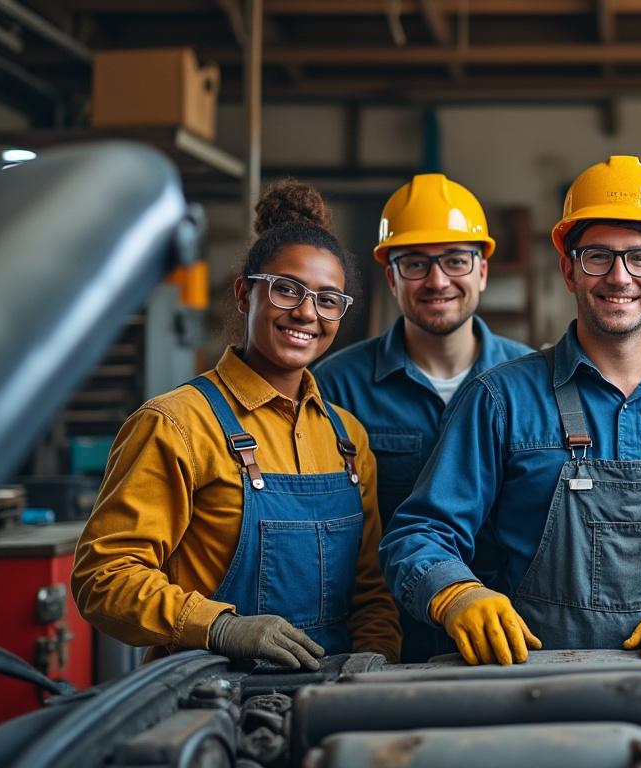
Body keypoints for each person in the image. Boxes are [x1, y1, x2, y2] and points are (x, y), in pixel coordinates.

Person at [380, 155, 641, 666]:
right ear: (568, 268)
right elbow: (420, 533)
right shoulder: (500, 399)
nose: (619, 277)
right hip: (532, 694)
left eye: (640, 258)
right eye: (598, 256)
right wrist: (457, 594)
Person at [73, 180, 401, 669]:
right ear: (246, 294)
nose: (307, 313)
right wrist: (218, 626)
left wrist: (377, 659)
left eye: (329, 299)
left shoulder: (347, 438)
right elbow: (105, 577)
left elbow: (371, 592)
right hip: (209, 700)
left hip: (335, 699)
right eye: (287, 290)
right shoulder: (177, 423)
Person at [314, 174, 531, 661]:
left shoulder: (532, 384)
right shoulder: (336, 387)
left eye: (456, 260)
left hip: (510, 642)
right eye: (415, 264)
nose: (437, 281)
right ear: (390, 276)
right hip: (382, 643)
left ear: (482, 271)